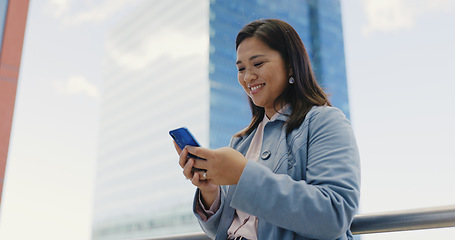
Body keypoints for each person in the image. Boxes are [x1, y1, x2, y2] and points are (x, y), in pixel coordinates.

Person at [174, 19, 360, 240]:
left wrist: (242, 175)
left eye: (258, 64)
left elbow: (333, 215)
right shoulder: (241, 141)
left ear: (290, 64)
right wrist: (210, 191)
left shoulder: (325, 122)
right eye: (241, 68)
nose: (248, 76)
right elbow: (225, 229)